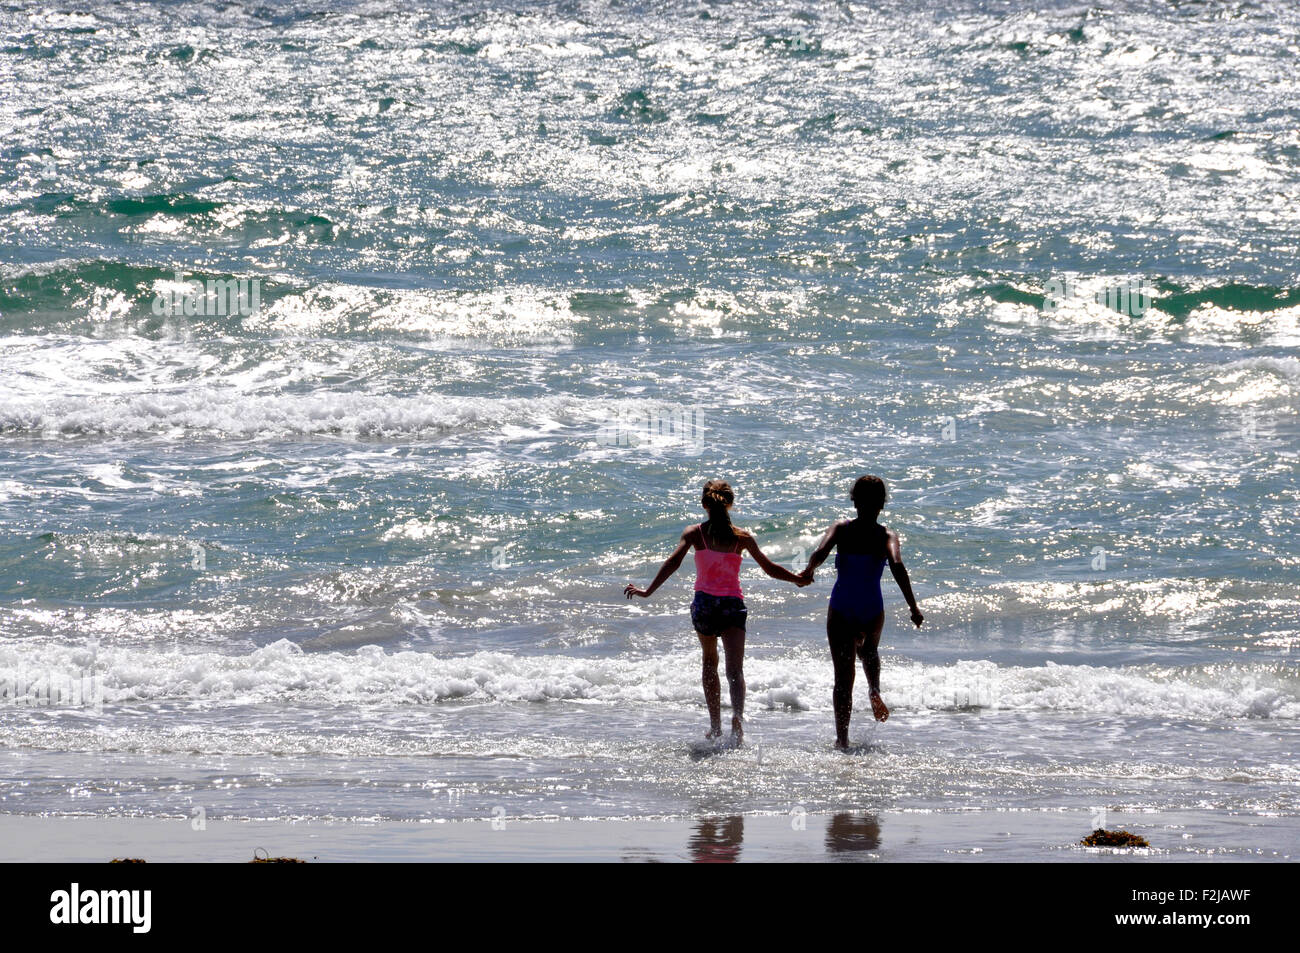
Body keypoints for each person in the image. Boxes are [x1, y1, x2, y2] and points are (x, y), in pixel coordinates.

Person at [625, 479, 809, 743]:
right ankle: (737, 720)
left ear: (704, 504)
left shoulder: (694, 533)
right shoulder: (741, 537)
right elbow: (769, 568)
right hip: (732, 606)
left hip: (704, 606)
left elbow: (672, 563)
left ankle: (715, 726)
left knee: (710, 662)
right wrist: (797, 579)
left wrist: (647, 591)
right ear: (730, 504)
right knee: (735, 671)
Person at [799, 475, 923, 748]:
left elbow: (820, 551)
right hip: (871, 608)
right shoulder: (886, 535)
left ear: (854, 500)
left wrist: (809, 571)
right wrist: (913, 607)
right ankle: (874, 689)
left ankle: (842, 740)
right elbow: (898, 565)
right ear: (882, 504)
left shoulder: (841, 529)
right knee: (869, 652)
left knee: (843, 679)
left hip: (843, 606)